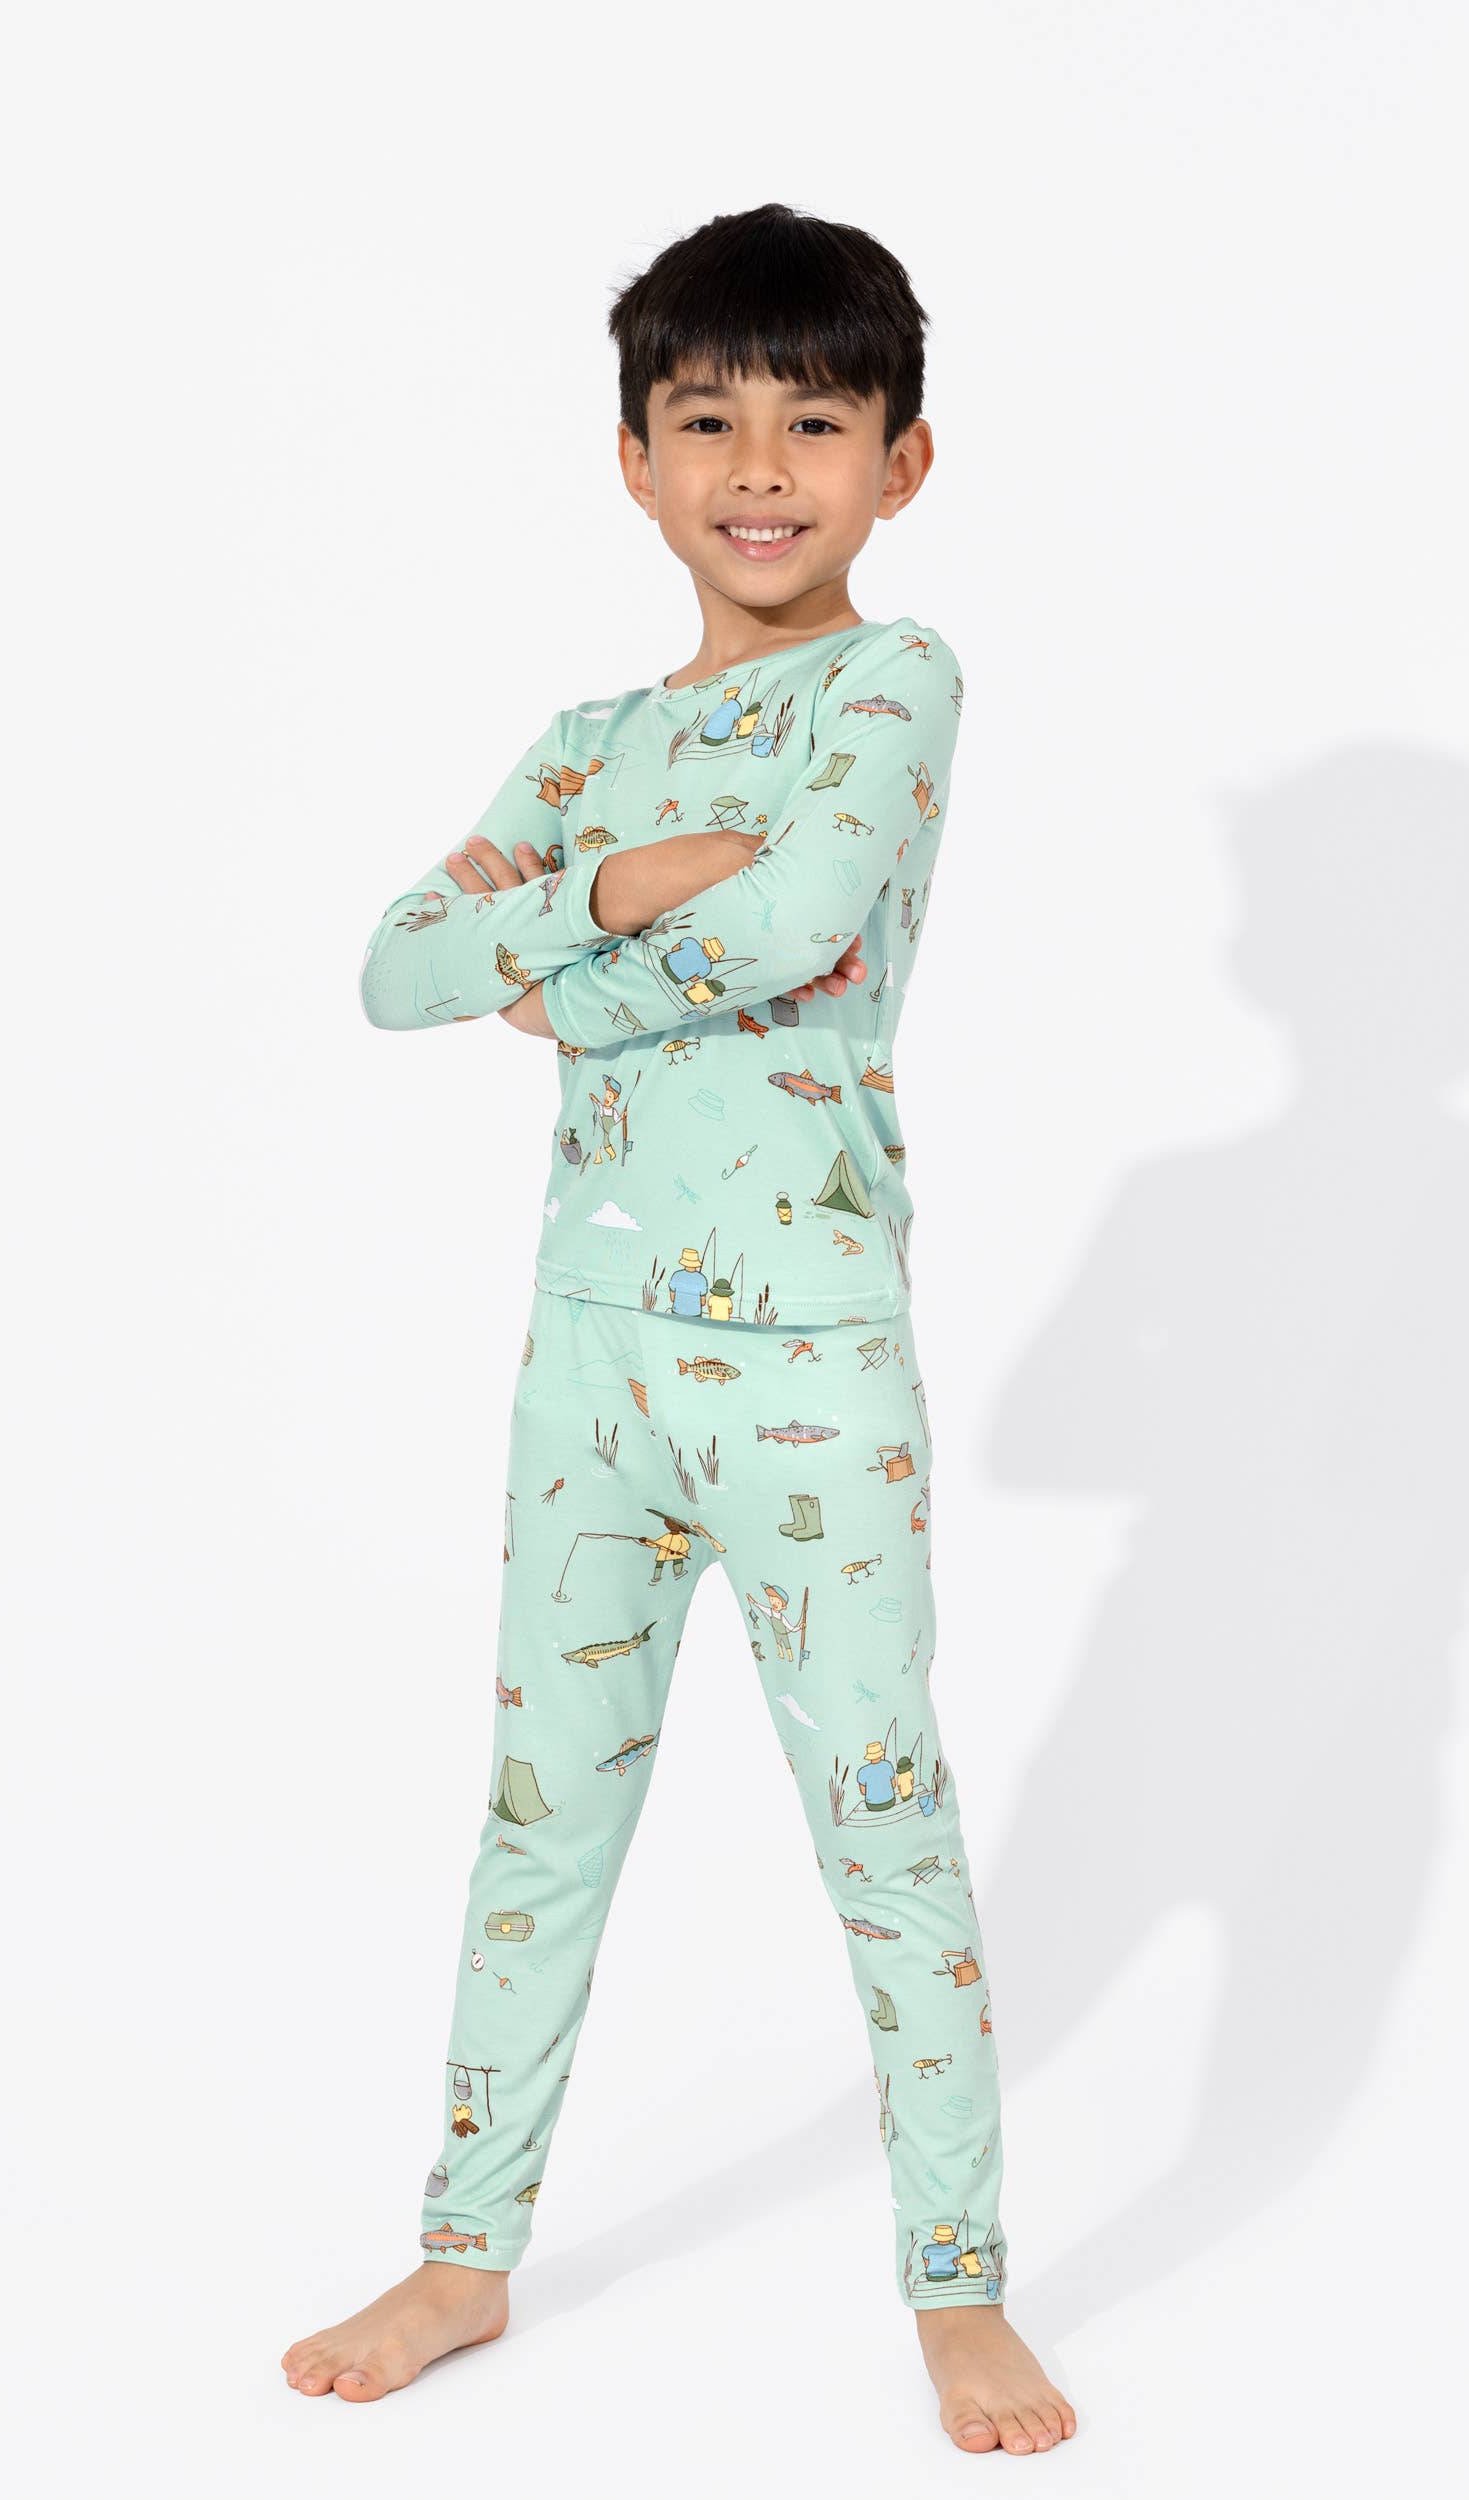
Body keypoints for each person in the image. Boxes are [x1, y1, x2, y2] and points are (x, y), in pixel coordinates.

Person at [282, 202, 1076, 2460]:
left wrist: (553, 974)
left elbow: (803, 918)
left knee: (880, 1816)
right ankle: (464, 2250)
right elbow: (394, 967)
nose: (758, 468)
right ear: (633, 458)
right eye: (707, 421)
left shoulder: (890, 685)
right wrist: (630, 883)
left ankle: (957, 2285)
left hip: (809, 1365)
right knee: (540, 1819)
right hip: (591, 1363)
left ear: (900, 461)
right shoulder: (587, 744)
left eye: (813, 423)